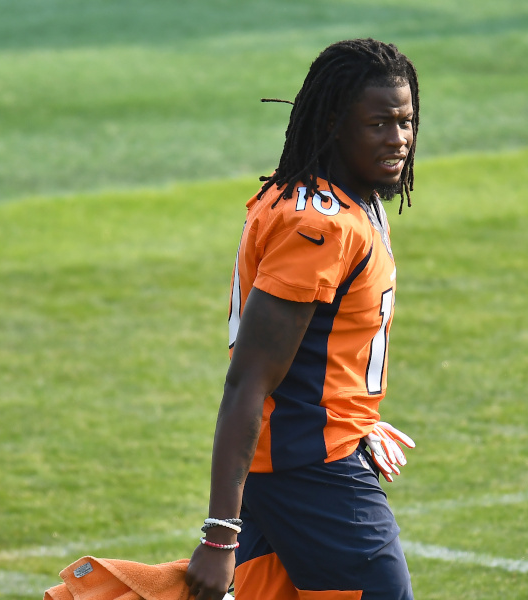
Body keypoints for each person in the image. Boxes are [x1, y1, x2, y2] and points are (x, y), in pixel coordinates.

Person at [185, 38, 420, 600]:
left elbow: (315, 350)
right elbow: (249, 381)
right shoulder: (320, 226)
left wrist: (352, 414)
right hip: (312, 470)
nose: (398, 140)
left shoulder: (347, 199)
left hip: (303, 457)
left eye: (406, 121)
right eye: (379, 124)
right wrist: (219, 534)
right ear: (335, 124)